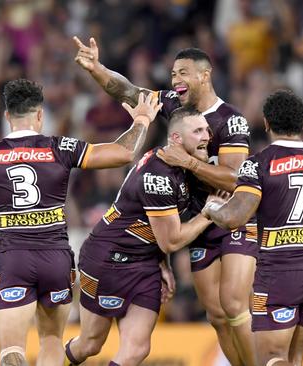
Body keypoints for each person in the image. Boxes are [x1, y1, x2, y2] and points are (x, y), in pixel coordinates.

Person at [72, 36, 256, 366]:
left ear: (205, 75)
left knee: (232, 305)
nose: (175, 81)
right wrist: (97, 69)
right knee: (215, 315)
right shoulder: (173, 107)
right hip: (195, 224)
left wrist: (189, 164)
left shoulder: (231, 120)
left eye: (182, 73)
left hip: (230, 216)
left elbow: (235, 178)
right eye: (172, 74)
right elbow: (128, 92)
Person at [0, 79, 160, 366]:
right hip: (55, 259)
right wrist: (142, 120)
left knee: (11, 351)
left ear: (7, 116)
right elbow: (123, 153)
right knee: (52, 341)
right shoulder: (60, 147)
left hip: (13, 259)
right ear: (40, 115)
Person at [203, 90, 303, 366]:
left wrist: (211, 209)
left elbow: (235, 217)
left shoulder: (257, 165)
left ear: (266, 123)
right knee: (296, 357)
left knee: (271, 359)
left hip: (280, 271)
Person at [64, 107, 216, 366]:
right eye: (198, 131)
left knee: (137, 349)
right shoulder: (157, 176)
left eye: (207, 130)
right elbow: (172, 239)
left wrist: (162, 263)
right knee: (90, 344)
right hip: (107, 259)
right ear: (177, 139)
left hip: (144, 264)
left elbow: (160, 233)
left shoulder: (182, 166)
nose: (206, 137)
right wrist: (209, 213)